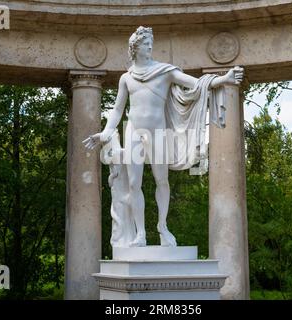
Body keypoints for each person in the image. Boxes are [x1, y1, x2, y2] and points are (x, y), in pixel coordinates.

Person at [83, 26, 244, 247]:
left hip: (158, 132)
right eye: (146, 43)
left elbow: (196, 84)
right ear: (135, 48)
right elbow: (118, 110)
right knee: (133, 184)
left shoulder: (165, 71)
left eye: (151, 42)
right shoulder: (126, 78)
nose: (150, 46)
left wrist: (223, 79)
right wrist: (106, 132)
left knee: (162, 181)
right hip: (134, 132)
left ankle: (162, 227)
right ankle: (141, 234)